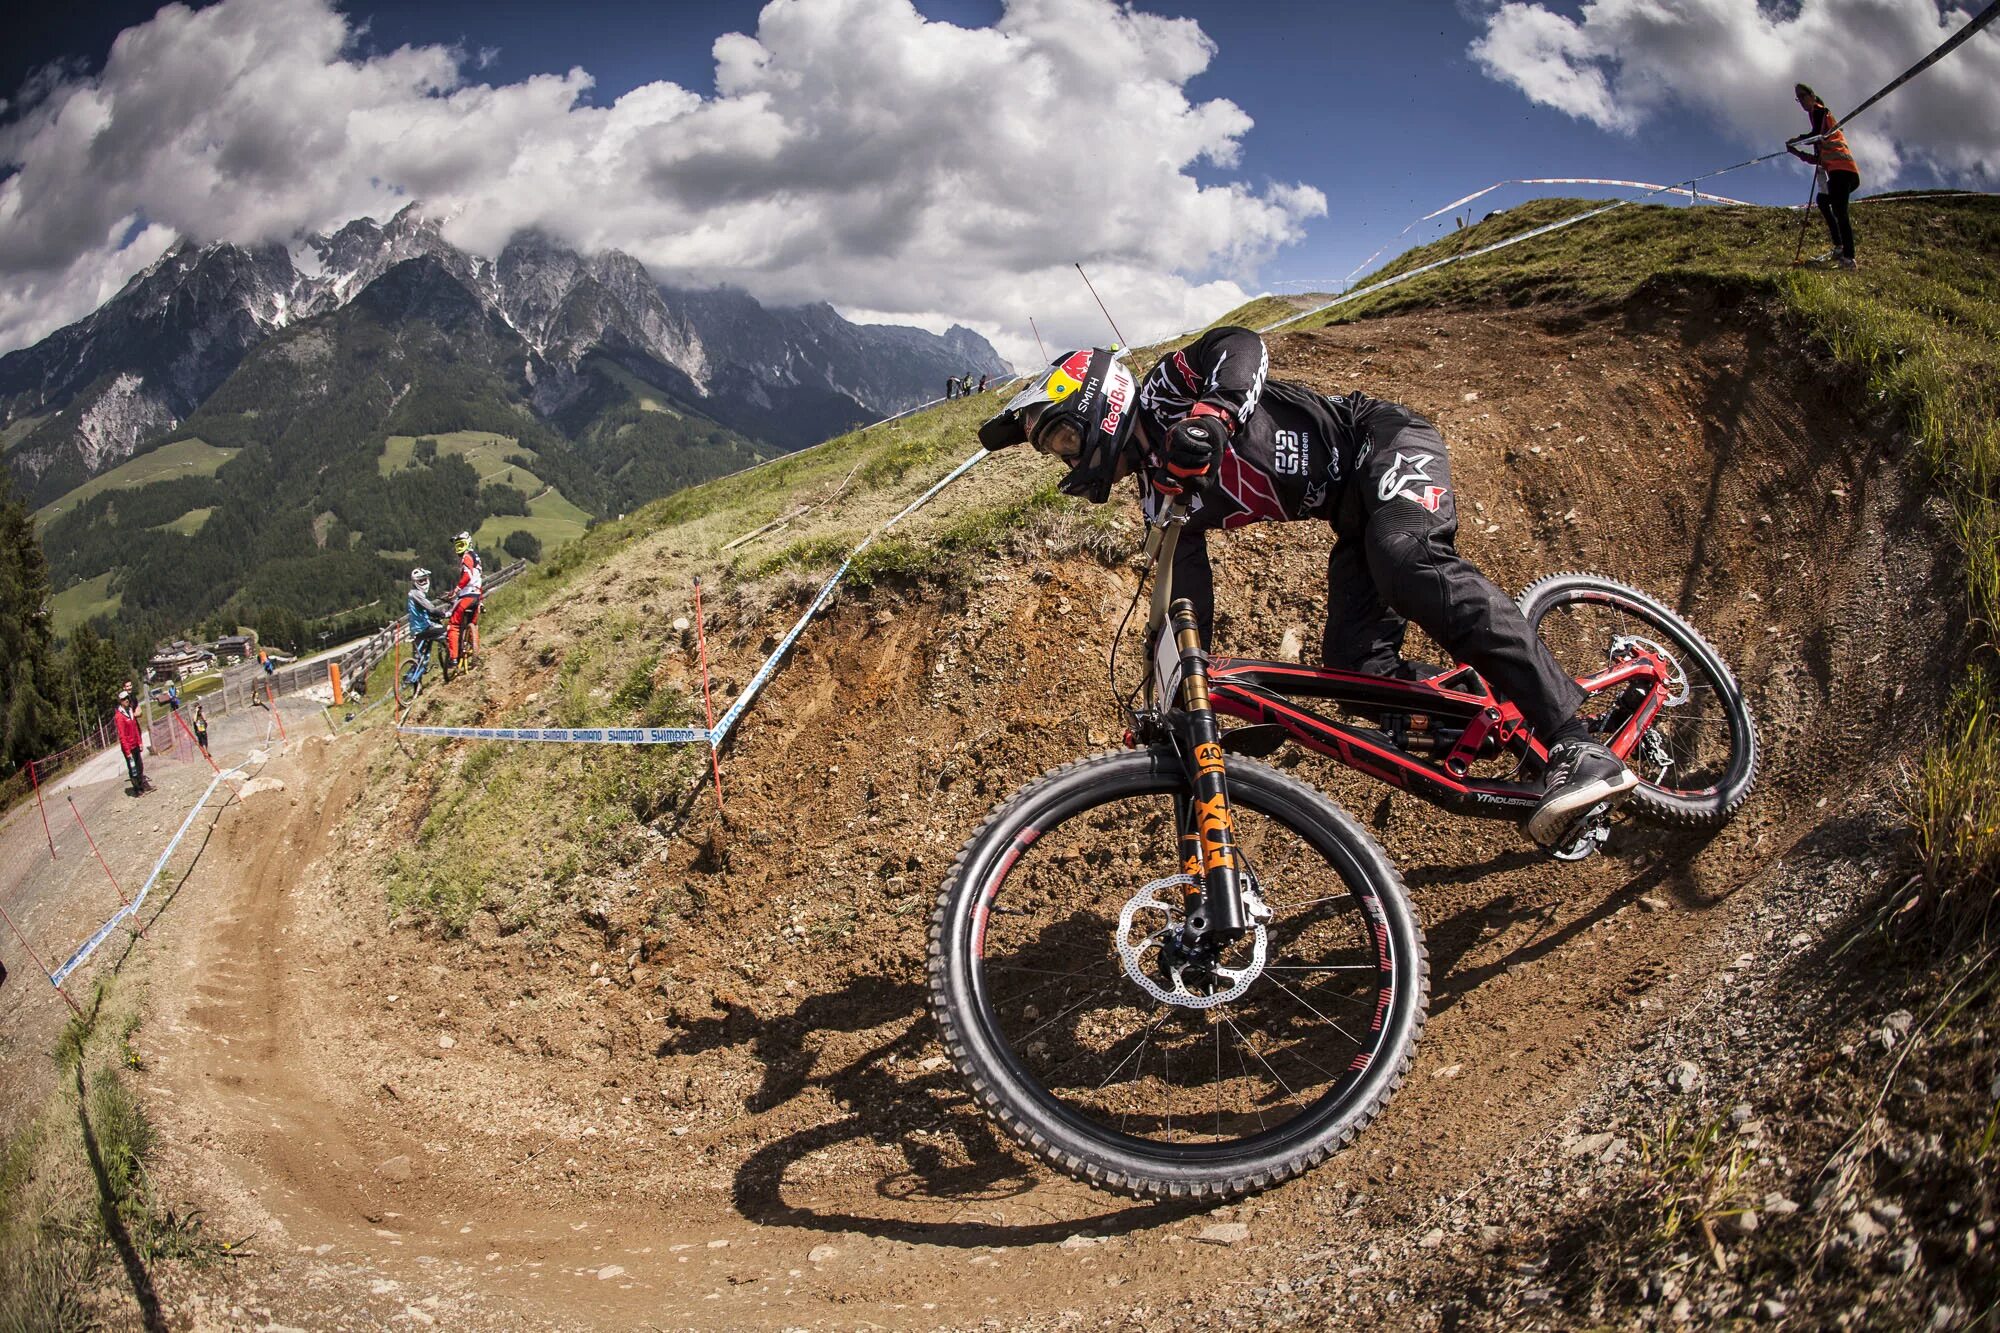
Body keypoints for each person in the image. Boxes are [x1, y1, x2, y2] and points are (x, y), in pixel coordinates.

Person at [977, 332, 1640, 849]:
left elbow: (1238, 345)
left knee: (1407, 560)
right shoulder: (1161, 496)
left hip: (1380, 443)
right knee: (1358, 668)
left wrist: (1210, 413)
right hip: (1354, 518)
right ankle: (1491, 720)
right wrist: (1176, 692)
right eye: (1054, 449)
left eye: (1062, 434)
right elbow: (1185, 603)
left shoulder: (1167, 393)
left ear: (1098, 401)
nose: (1067, 455)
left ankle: (1574, 739)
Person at [1788, 83, 1859, 269]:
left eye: (1803, 96)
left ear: (1812, 95)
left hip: (1843, 170)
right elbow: (1817, 159)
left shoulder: (1820, 112)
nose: (1801, 101)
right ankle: (1840, 247)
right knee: (1823, 200)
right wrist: (1796, 153)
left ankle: (1849, 258)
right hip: (1839, 172)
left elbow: (1814, 135)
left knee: (1840, 212)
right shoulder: (1819, 125)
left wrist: (1798, 140)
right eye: (1798, 98)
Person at [444, 534, 484, 667]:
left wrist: (456, 590)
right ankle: (475, 655)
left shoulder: (466, 557)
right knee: (473, 624)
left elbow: (467, 575)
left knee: (453, 625)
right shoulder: (476, 558)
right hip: (477, 595)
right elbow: (478, 579)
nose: (458, 549)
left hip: (466, 596)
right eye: (457, 545)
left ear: (468, 544)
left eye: (461, 545)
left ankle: (453, 658)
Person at [407, 567, 449, 668]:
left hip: (415, 630)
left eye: (425, 579)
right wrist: (444, 614)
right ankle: (451, 660)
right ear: (415, 582)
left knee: (418, 659)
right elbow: (431, 609)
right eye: (421, 581)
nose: (424, 582)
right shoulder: (417, 594)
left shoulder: (412, 593)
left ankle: (413, 679)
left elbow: (421, 611)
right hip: (423, 629)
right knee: (448, 631)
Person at [115, 690, 149, 795]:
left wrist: (139, 742)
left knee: (139, 766)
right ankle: (137, 789)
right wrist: (127, 751)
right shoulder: (119, 716)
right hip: (128, 747)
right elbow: (122, 735)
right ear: (120, 701)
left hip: (135, 743)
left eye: (127, 698)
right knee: (133, 768)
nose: (126, 700)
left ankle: (141, 785)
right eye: (124, 699)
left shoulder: (130, 711)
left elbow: (135, 728)